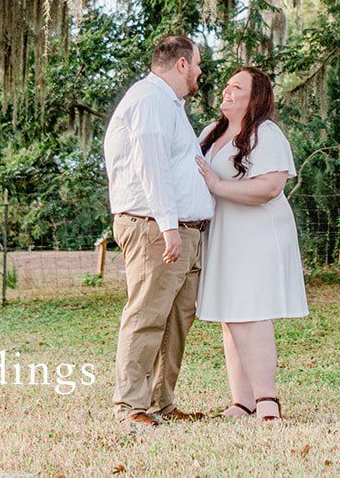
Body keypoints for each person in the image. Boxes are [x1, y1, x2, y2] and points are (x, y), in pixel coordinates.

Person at [103, 34, 215, 426]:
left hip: (183, 230)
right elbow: (151, 166)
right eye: (198, 63)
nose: (200, 71)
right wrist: (168, 226)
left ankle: (161, 402)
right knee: (147, 314)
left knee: (177, 320)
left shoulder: (170, 106)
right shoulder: (150, 99)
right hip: (156, 226)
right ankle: (130, 406)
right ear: (181, 64)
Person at [194, 66, 309, 421]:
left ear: (255, 97)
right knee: (231, 315)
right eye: (227, 85)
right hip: (224, 233)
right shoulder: (211, 133)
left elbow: (270, 187)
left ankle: (267, 400)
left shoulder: (265, 133)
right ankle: (241, 401)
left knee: (251, 313)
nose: (227, 91)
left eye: (237, 87)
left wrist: (217, 186)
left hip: (258, 233)